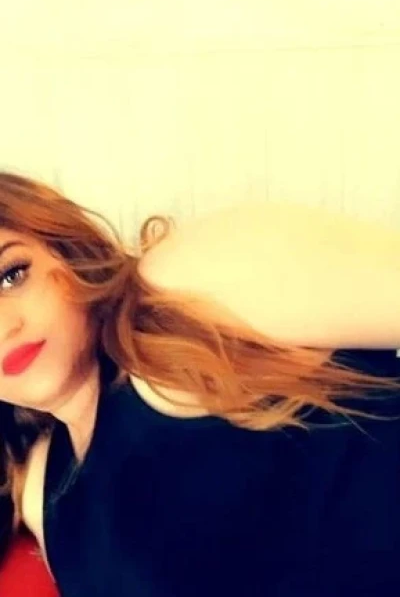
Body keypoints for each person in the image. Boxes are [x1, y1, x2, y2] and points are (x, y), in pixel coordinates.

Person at [1, 170, 400, 596]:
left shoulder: (182, 288)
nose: (5, 326)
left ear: (65, 247)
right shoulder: (44, 495)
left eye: (11, 275)